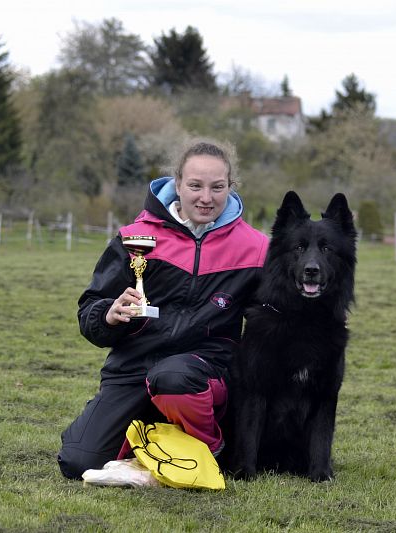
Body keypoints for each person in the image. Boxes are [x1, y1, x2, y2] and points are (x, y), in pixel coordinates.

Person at [57, 138, 268, 479]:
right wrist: (109, 314)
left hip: (203, 371)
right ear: (177, 184)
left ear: (231, 186)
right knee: (79, 463)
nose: (206, 197)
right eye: (195, 186)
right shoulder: (134, 237)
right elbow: (89, 311)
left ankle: (212, 448)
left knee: (172, 376)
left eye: (217, 187)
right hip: (133, 370)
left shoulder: (257, 249)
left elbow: (272, 319)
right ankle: (150, 434)